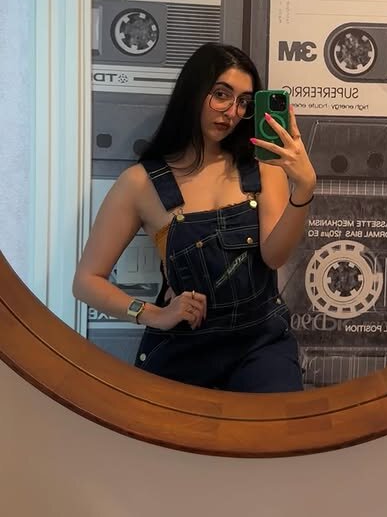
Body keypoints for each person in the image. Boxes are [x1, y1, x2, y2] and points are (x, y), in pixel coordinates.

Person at [73, 43, 316, 393]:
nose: (232, 112)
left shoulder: (262, 167)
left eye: (244, 102)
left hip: (260, 344)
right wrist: (154, 314)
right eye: (221, 95)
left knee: (276, 424)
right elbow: (86, 281)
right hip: (182, 348)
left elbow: (274, 256)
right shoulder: (141, 183)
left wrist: (304, 187)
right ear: (193, 91)